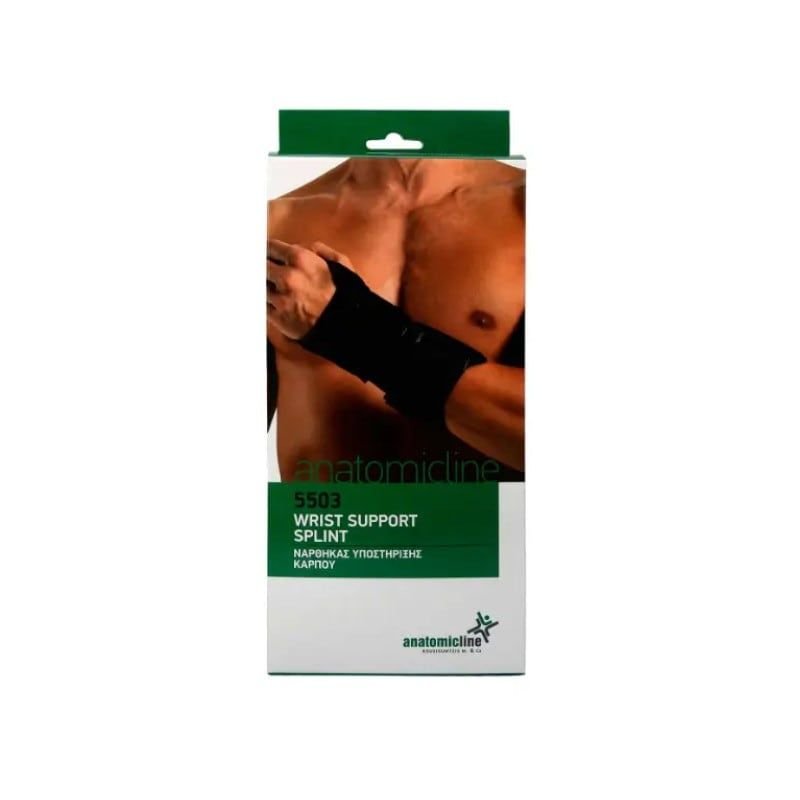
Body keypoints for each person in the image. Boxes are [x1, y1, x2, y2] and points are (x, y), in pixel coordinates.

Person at [267, 158, 525, 481]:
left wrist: (349, 324)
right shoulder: (274, 223)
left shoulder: (526, 212)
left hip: (486, 515)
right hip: (333, 515)